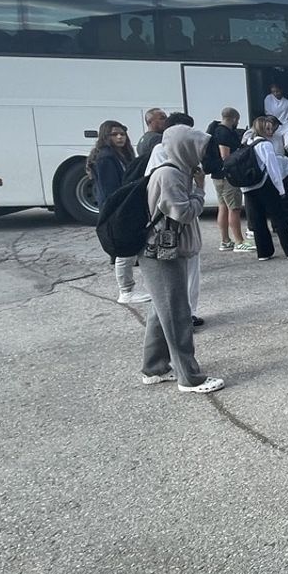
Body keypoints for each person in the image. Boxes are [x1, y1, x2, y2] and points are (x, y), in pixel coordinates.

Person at [138, 124, 224, 394]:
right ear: (184, 148)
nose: (201, 155)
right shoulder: (170, 175)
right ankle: (189, 377)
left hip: (161, 252)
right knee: (176, 314)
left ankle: (154, 368)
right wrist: (199, 190)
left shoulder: (175, 171)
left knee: (161, 311)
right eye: (197, 149)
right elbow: (184, 213)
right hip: (162, 254)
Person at [146, 112, 205, 327]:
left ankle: (187, 314)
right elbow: (184, 211)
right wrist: (199, 189)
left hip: (181, 235)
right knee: (172, 294)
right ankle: (181, 321)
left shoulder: (182, 163)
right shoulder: (167, 164)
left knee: (186, 280)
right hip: (171, 236)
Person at [87, 120, 150, 304]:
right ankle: (126, 290)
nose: (120, 137)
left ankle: (130, 288)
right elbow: (111, 189)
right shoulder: (106, 157)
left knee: (131, 249)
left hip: (122, 206)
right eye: (115, 134)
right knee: (124, 251)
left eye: (122, 133)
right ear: (106, 137)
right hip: (117, 209)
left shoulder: (119, 154)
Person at [241, 117, 288, 261]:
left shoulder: (248, 142)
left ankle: (264, 252)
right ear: (261, 129)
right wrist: (280, 188)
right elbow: (273, 169)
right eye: (267, 129)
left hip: (249, 187)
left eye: (271, 128)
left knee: (258, 220)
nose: (271, 132)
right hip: (264, 185)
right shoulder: (265, 145)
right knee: (279, 218)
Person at [208, 108, 253, 253]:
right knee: (234, 208)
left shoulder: (215, 130)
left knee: (223, 207)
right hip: (227, 177)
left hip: (217, 176)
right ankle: (239, 241)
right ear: (234, 118)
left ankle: (225, 240)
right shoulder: (224, 133)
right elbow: (225, 156)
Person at [263, 83, 288, 169]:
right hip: (275, 126)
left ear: (282, 90)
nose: (276, 94)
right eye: (273, 92)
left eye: (277, 91)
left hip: (287, 125)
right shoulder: (268, 99)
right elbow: (268, 116)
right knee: (278, 151)